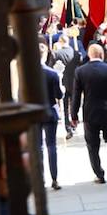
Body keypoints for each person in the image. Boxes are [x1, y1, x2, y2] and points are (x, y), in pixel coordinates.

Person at [71, 44, 107, 184]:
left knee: (92, 145)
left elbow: (76, 96)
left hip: (90, 112)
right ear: (102, 55)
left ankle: (99, 174)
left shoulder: (80, 71)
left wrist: (74, 115)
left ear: (89, 55)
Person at [40, 45, 64, 190]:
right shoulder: (52, 73)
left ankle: (41, 178)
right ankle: (54, 178)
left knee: (38, 146)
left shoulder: (26, 73)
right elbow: (58, 95)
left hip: (35, 112)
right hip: (49, 110)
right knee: (51, 145)